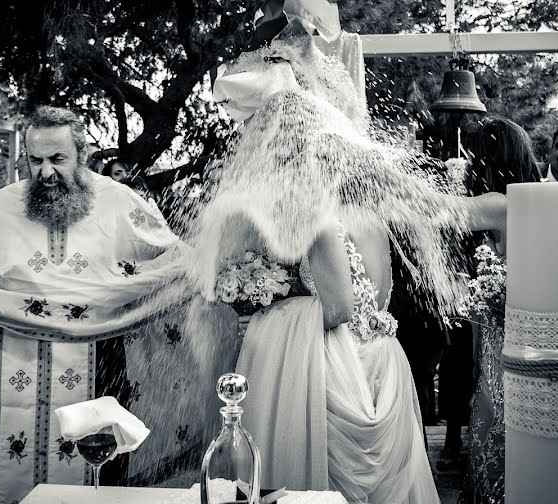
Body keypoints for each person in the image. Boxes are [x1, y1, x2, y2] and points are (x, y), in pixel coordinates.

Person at [205, 30, 506, 503]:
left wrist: (265, 314)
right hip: (382, 359)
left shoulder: (311, 208)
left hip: (331, 366)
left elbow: (338, 308)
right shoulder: (370, 198)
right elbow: (464, 212)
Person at [0, 107, 229, 503]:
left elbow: (175, 260)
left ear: (81, 155)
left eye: (57, 159)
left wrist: (215, 278)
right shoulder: (1, 205)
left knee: (100, 466)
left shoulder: (121, 201)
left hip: (99, 354)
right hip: (13, 358)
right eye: (35, 161)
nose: (46, 173)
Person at [460, 117, 541, 504]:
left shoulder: (498, 205)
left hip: (500, 344)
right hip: (515, 334)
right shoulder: (533, 203)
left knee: (492, 428)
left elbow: (434, 213)